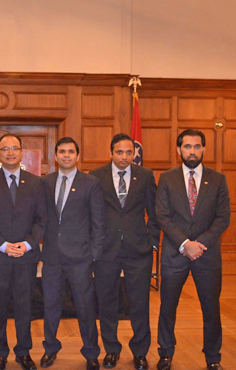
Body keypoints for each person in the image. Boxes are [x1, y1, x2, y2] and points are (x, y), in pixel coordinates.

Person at [155, 129, 230, 370]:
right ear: (179, 150)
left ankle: (213, 358)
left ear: (204, 149)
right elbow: (162, 216)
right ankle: (165, 353)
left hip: (207, 256)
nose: (192, 151)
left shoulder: (218, 179)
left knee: (211, 310)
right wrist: (185, 244)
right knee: (167, 307)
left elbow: (223, 218)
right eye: (187, 147)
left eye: (197, 146)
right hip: (174, 254)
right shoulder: (167, 178)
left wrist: (199, 244)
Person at [0, 133, 47, 370]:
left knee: (24, 305)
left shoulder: (36, 182)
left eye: (14, 148)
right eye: (5, 149)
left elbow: (41, 220)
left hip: (26, 256)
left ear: (21, 152)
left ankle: (24, 352)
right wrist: (3, 245)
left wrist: (26, 244)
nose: (10, 152)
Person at [90, 133, 160, 370]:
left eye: (129, 152)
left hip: (138, 250)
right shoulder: (96, 176)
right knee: (107, 302)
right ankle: (111, 350)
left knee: (139, 303)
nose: (124, 156)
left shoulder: (145, 175)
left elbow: (155, 211)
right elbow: (91, 213)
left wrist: (152, 240)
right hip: (106, 250)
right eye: (119, 152)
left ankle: (140, 352)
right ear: (111, 153)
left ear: (134, 154)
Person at [41, 137, 105, 370]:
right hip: (51, 257)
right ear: (55, 156)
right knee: (50, 306)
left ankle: (91, 353)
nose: (66, 155)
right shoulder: (45, 182)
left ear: (77, 156)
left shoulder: (91, 183)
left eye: (70, 152)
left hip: (81, 257)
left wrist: (94, 254)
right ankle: (50, 348)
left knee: (85, 307)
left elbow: (99, 222)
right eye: (62, 151)